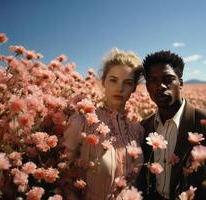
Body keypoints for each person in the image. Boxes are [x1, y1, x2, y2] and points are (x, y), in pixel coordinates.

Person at [136, 50, 206, 200]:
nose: (161, 86)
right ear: (147, 86)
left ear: (180, 83)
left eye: (168, 79)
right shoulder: (144, 127)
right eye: (153, 80)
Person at [62, 48, 145, 200]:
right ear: (103, 82)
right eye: (113, 80)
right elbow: (63, 174)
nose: (119, 89)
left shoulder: (137, 130)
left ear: (133, 88)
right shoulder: (82, 121)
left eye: (127, 83)